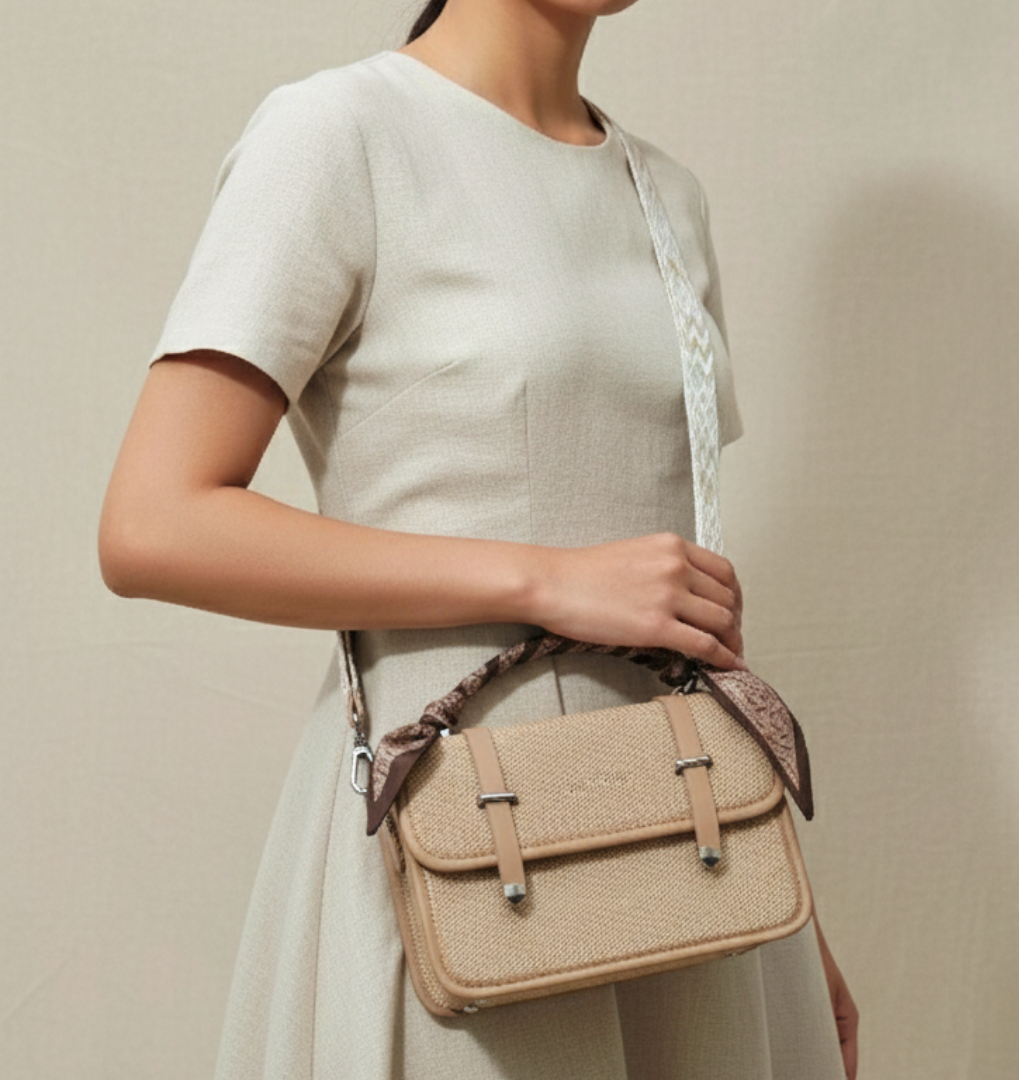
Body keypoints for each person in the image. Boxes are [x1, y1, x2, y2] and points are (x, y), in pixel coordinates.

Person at [99, 0, 858, 1076]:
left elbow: (687, 609)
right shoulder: (339, 135)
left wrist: (794, 910)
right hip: (464, 846)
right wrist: (543, 581)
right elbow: (151, 522)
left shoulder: (667, 196)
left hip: (688, 853)